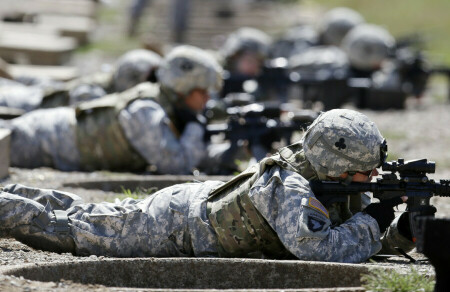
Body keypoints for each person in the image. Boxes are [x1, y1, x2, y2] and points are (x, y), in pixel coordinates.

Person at [0, 109, 417, 262]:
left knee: (79, 213)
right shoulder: (286, 185)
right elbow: (322, 250)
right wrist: (376, 214)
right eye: (364, 173)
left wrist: (399, 233)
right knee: (70, 230)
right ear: (336, 165)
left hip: (191, 214)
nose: (371, 180)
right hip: (173, 225)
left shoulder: (331, 177)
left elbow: (346, 234)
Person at [0, 45, 222, 174]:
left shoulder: (167, 109)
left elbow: (195, 157)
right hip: (39, 139)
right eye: (202, 91)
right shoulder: (145, 111)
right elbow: (177, 165)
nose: (207, 97)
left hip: (49, 143)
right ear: (182, 91)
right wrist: (195, 124)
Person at [0, 49, 162, 113]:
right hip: (37, 102)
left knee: (35, 83)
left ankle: (12, 75)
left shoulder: (107, 81)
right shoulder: (95, 94)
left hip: (53, 91)